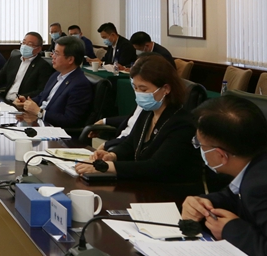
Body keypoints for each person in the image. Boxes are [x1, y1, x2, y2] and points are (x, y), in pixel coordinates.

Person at [76, 54, 202, 183]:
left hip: (169, 189)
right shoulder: (147, 112)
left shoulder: (182, 123)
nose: (138, 94)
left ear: (166, 89)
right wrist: (113, 155)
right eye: (135, 88)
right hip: (143, 184)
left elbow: (157, 166)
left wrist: (107, 167)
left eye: (143, 89)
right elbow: (130, 143)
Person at [181, 95, 267, 254]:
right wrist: (204, 203)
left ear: (221, 155)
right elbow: (235, 195)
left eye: (200, 144)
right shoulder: (255, 168)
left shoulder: (259, 187)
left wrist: (230, 229)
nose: (200, 149)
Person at [15, 36, 93, 128]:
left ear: (70, 60)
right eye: (53, 52)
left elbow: (70, 120)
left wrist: (40, 112)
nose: (52, 56)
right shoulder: (55, 75)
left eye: (56, 53)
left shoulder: (80, 85)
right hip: (38, 122)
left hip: (54, 130)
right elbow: (42, 97)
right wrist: (25, 102)